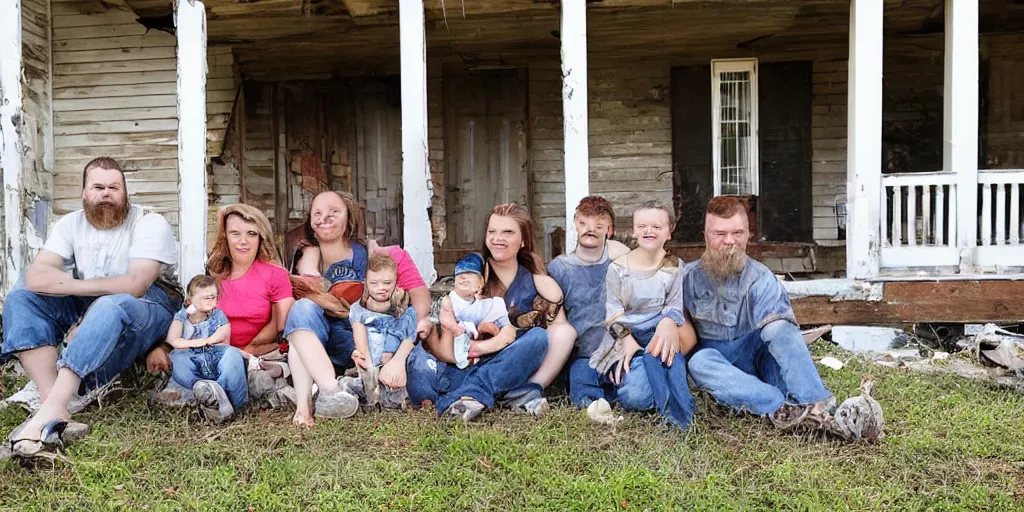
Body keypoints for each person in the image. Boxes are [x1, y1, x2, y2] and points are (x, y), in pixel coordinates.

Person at [2, 157, 180, 458]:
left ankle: (49, 412)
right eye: (98, 187)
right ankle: (52, 401)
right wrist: (83, 299)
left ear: (126, 193)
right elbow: (36, 276)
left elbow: (136, 284)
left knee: (112, 305)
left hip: (151, 303)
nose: (106, 193)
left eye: (114, 187)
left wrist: (82, 300)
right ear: (83, 192)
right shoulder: (71, 224)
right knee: (21, 295)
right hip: (97, 298)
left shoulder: (150, 221)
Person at [683, 196, 842, 433]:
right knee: (699, 362)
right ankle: (779, 406)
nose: (730, 241)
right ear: (705, 235)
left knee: (781, 328)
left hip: (757, 356)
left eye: (738, 233)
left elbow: (779, 332)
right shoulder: (687, 279)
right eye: (720, 234)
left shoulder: (761, 278)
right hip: (716, 361)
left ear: (748, 235)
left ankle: (814, 404)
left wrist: (778, 331)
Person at [284, 191, 431, 426]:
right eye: (317, 213)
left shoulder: (379, 256)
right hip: (325, 339)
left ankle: (330, 393)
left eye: (334, 212)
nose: (325, 218)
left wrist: (411, 327)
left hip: (370, 339)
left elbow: (418, 295)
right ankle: (319, 398)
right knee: (302, 310)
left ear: (349, 220)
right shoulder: (303, 259)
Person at [407, 203, 563, 421]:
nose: (498, 238)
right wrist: (482, 344)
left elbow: (559, 328)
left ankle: (472, 394)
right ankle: (505, 394)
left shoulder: (533, 280)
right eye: (492, 231)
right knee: (424, 374)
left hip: (497, 365)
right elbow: (448, 327)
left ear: (523, 240)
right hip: (449, 366)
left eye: (508, 232)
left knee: (538, 339)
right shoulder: (472, 271)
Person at [150, 204, 295, 406]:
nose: (243, 241)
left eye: (251, 234)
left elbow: (279, 324)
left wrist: (247, 348)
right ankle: (207, 391)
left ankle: (215, 397)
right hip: (208, 351)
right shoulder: (213, 275)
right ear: (225, 237)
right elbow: (189, 319)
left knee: (232, 361)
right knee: (183, 360)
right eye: (235, 233)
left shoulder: (274, 274)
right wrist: (164, 348)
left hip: (253, 351)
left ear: (260, 237)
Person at [574, 200, 697, 429]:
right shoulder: (618, 268)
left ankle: (679, 416)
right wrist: (627, 340)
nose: (648, 231)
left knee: (665, 358)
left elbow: (674, 304)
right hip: (625, 338)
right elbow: (613, 312)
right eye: (642, 226)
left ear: (668, 232)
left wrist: (668, 322)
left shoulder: (673, 266)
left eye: (656, 227)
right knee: (635, 397)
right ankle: (634, 381)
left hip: (660, 334)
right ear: (634, 231)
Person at [340, 253, 418, 409]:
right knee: (348, 385)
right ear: (366, 283)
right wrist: (367, 364)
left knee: (398, 391)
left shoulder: (405, 310)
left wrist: (397, 362)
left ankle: (397, 398)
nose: (381, 288)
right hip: (370, 364)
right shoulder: (359, 309)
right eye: (374, 283)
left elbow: (409, 339)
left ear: (396, 282)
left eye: (387, 283)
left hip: (394, 365)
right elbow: (360, 338)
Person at [165, 275, 245, 423]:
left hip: (213, 355)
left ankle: (232, 400)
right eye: (204, 298)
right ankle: (202, 394)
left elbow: (224, 333)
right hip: (191, 357)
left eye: (213, 297)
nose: (210, 301)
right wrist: (198, 342)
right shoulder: (182, 316)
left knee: (232, 355)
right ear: (190, 299)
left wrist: (208, 341)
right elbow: (173, 340)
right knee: (177, 358)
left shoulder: (218, 315)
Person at [438, 252, 513, 370]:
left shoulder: (491, 305)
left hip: (484, 348)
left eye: (470, 273)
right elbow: (445, 316)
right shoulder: (449, 300)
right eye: (459, 274)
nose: (463, 276)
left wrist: (488, 341)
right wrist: (456, 329)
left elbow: (505, 330)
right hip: (453, 347)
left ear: (481, 283)